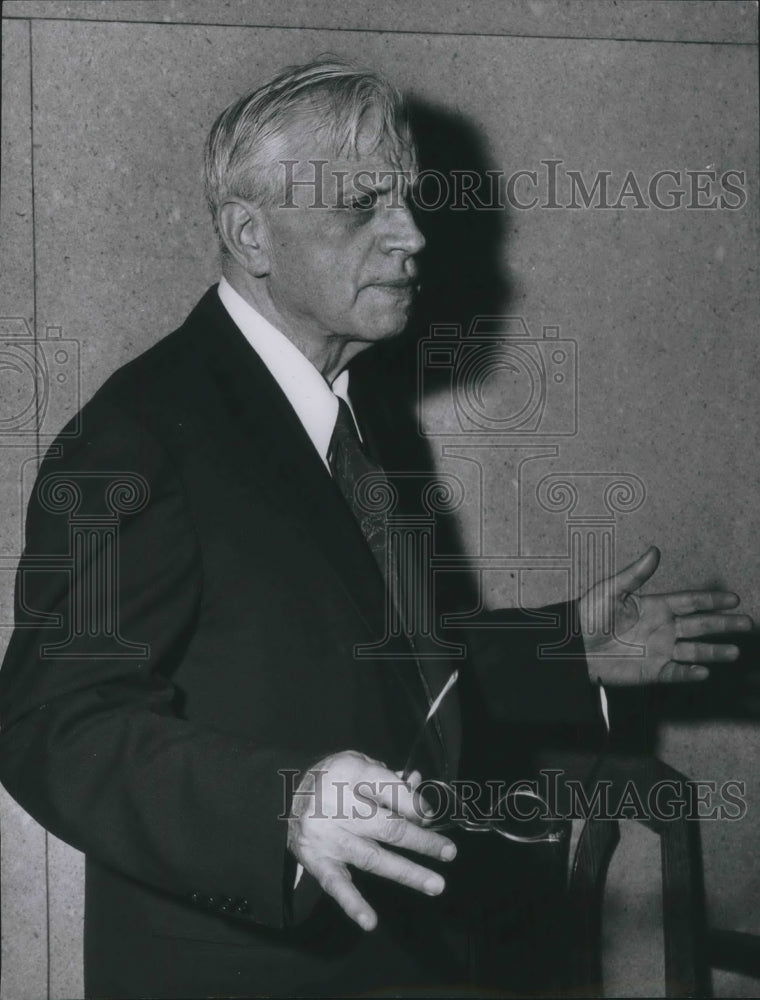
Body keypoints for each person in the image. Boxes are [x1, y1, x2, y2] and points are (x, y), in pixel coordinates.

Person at [0, 60, 750, 999]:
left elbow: (371, 659)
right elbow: (51, 721)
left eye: (409, 198)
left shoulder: (360, 417)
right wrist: (281, 807)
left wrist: (567, 650)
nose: (413, 234)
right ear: (250, 234)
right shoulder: (137, 432)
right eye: (364, 204)